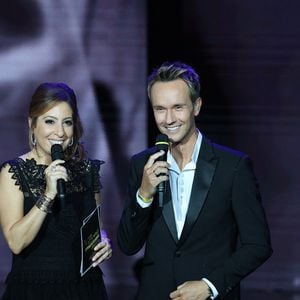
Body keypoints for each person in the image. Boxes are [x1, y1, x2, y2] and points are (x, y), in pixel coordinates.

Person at [117, 61, 272, 300]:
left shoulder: (232, 166)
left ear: (196, 106)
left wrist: (210, 285)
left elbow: (258, 245)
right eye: (160, 109)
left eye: (178, 107)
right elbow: (128, 245)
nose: (169, 119)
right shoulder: (143, 164)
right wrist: (144, 195)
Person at [0, 82, 112, 299]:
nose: (59, 132)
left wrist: (104, 241)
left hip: (84, 288)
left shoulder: (87, 170)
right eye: (49, 121)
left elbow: (96, 227)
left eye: (67, 122)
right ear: (32, 124)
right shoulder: (13, 171)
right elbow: (16, 242)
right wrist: (48, 194)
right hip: (35, 289)